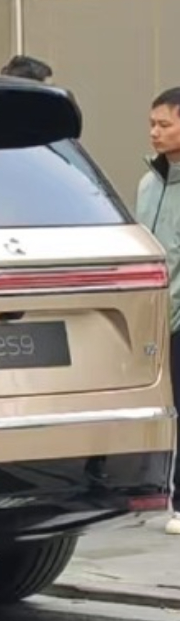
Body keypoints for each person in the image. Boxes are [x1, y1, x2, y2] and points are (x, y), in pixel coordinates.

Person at [134, 87, 180, 536]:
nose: (155, 132)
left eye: (165, 124)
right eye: (152, 124)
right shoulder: (148, 183)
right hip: (151, 319)